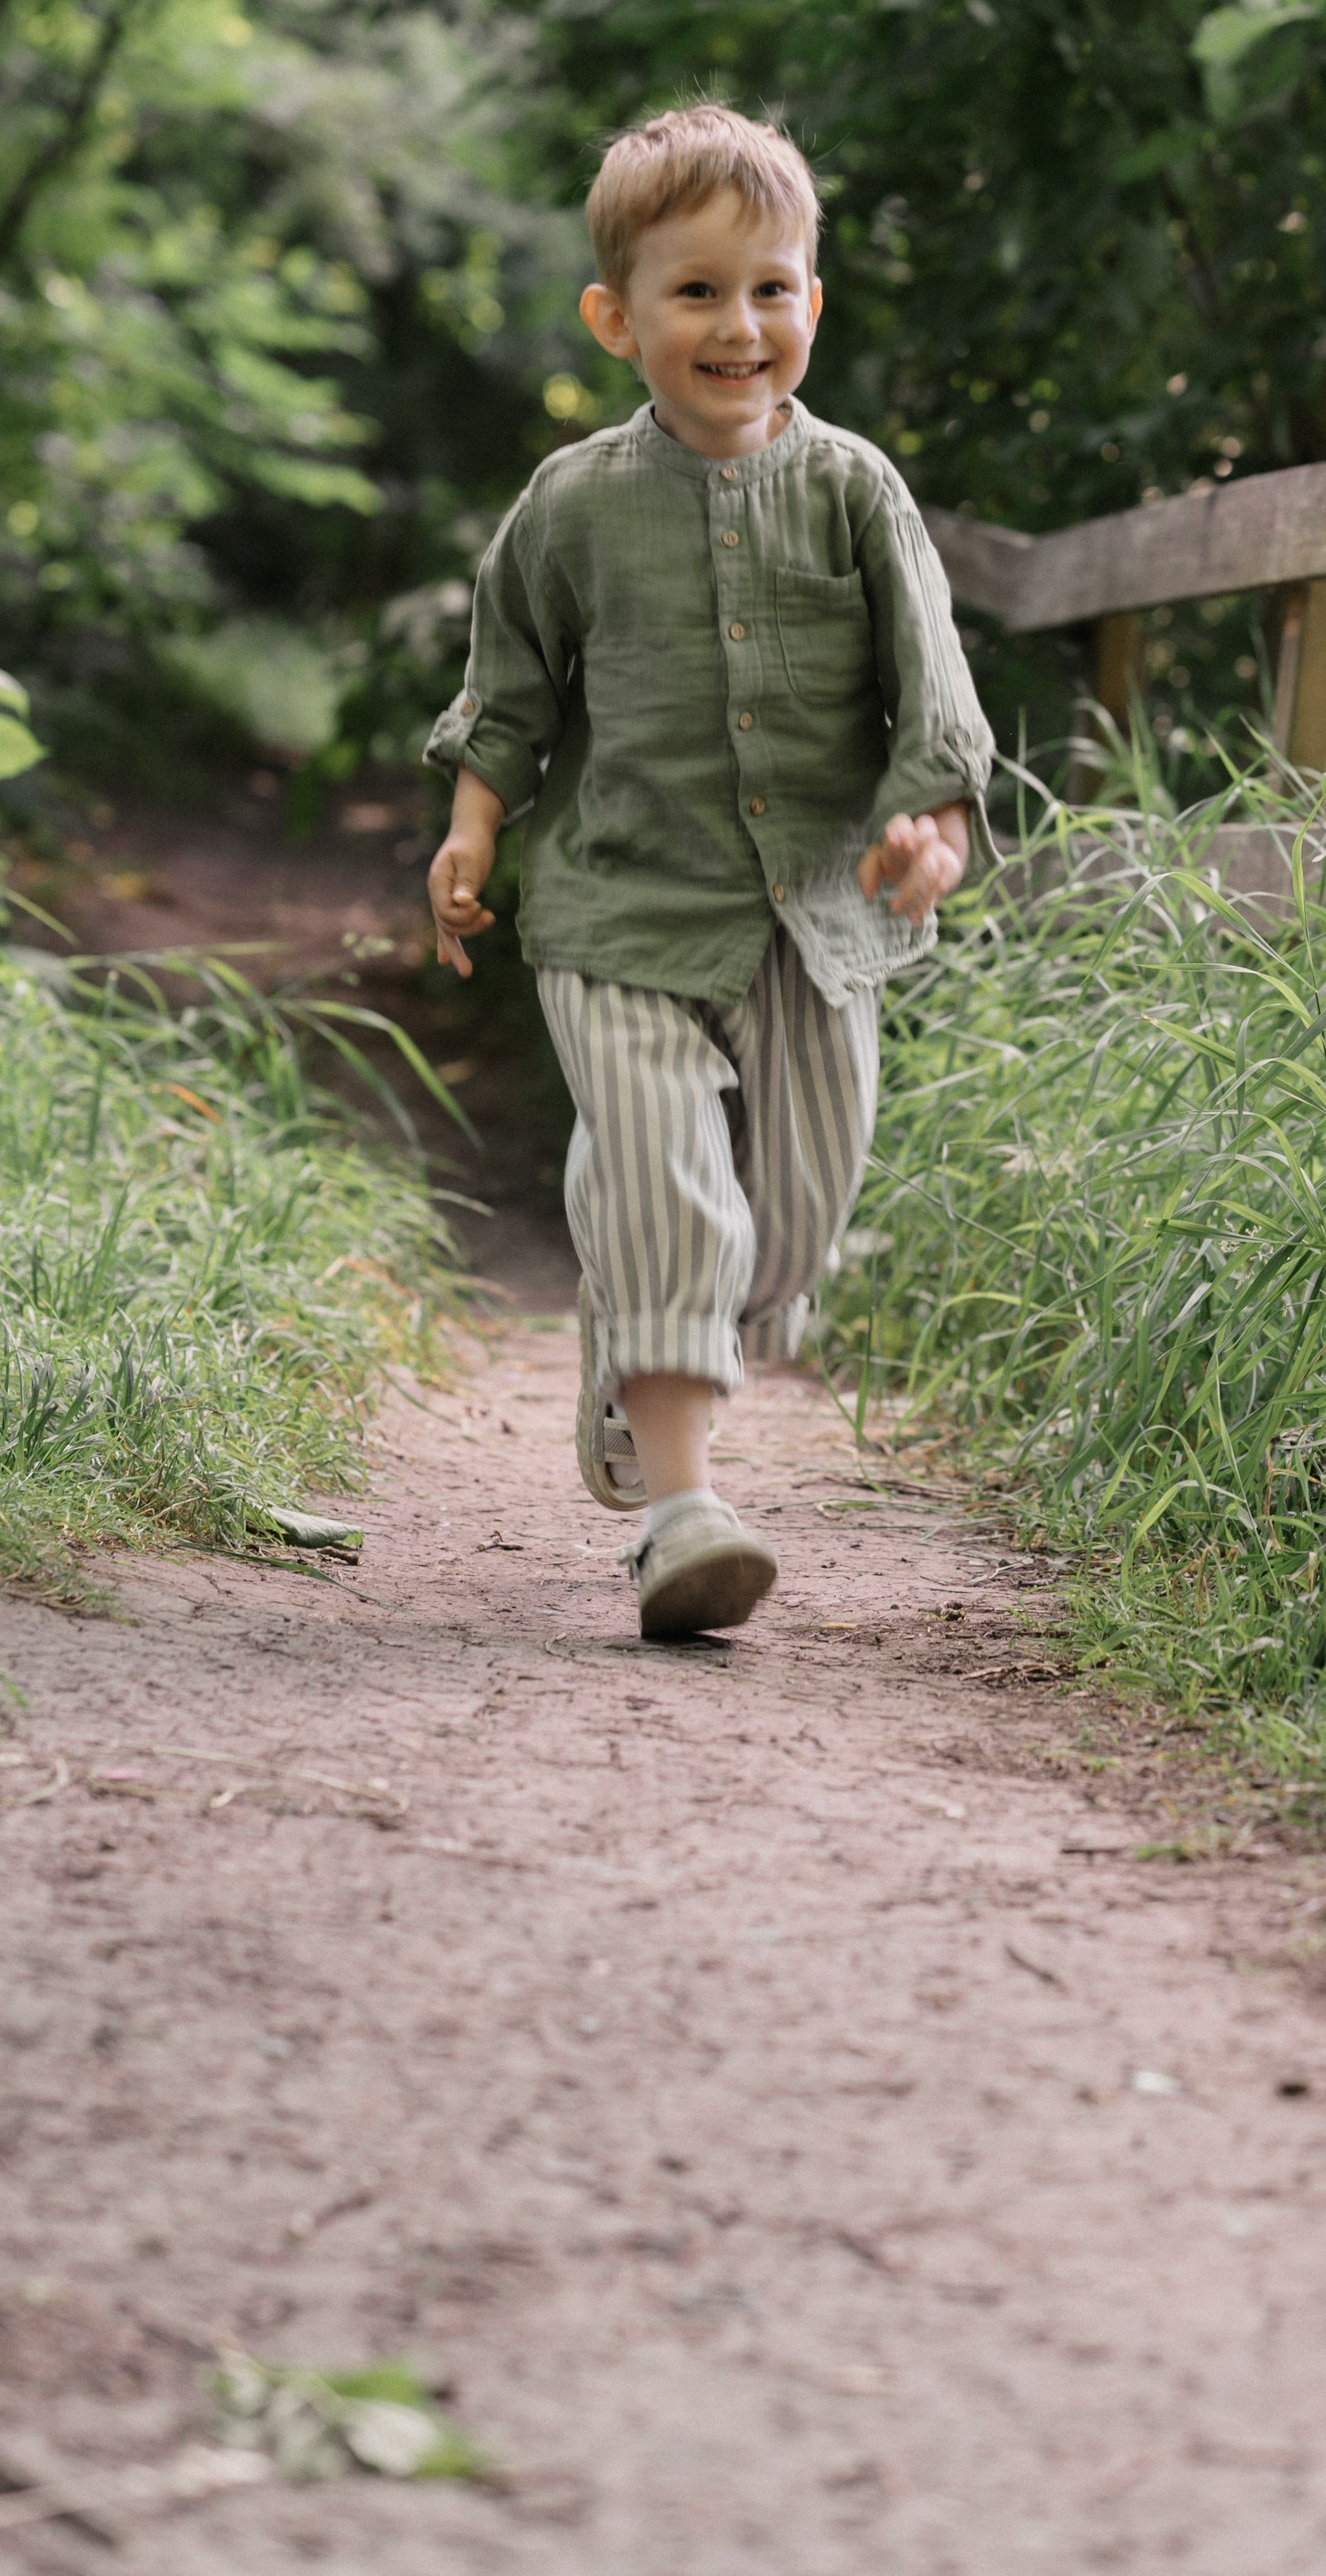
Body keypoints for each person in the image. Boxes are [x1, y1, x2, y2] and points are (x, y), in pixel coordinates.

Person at [422, 102, 993, 1642]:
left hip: (816, 923)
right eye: (696, 292)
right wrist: (474, 826)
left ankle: (640, 1327)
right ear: (616, 317)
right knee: (676, 1186)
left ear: (815, 298)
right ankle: (683, 1514)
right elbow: (512, 691)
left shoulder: (856, 489)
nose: (739, 325)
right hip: (615, 912)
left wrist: (929, 825)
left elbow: (930, 688)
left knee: (785, 1229)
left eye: (772, 288)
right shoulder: (572, 505)